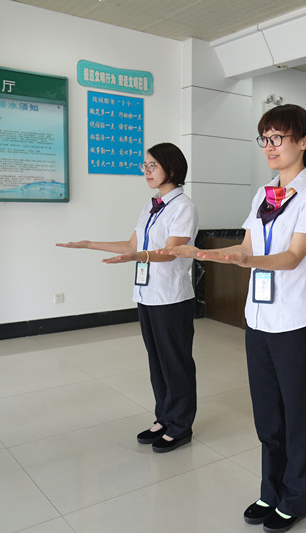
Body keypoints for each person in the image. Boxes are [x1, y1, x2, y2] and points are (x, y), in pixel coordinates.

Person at [159, 104, 306, 533]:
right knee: (268, 414)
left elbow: (292, 257)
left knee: (299, 415)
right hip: (257, 319)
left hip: (293, 322)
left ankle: (296, 497)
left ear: (304, 141)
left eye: (278, 138)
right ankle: (270, 490)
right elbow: (247, 247)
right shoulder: (263, 194)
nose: (269, 147)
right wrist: (204, 253)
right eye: (265, 139)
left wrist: (243, 259)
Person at [56, 142, 199, 454]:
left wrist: (138, 256)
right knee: (156, 360)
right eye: (145, 165)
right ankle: (164, 417)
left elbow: (171, 252)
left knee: (175, 362)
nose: (146, 171)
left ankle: (181, 425)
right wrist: (89, 244)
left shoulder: (183, 207)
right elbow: (132, 245)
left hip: (171, 297)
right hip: (147, 294)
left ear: (171, 169)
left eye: (152, 165)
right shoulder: (151, 206)